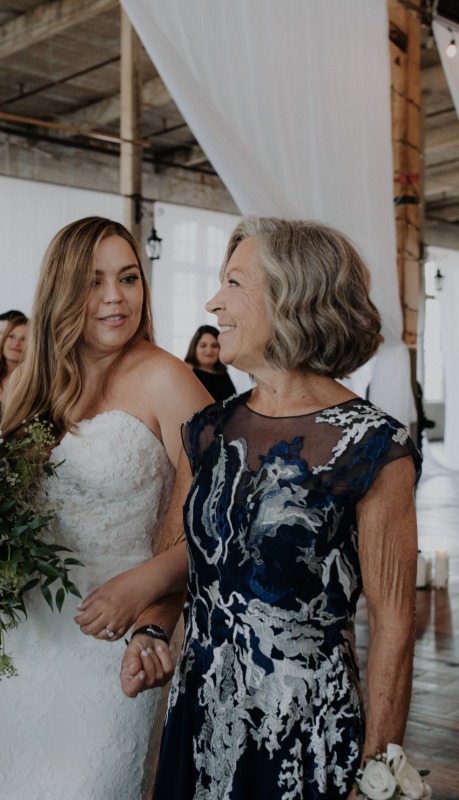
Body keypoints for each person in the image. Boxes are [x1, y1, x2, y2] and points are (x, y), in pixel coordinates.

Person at [119, 218, 421, 799]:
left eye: (234, 283)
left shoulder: (373, 446)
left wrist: (378, 769)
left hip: (304, 735)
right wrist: (151, 631)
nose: (214, 303)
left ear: (293, 297)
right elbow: (181, 558)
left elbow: (394, 624)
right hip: (201, 717)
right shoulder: (209, 429)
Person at [0, 217, 212, 799]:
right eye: (94, 281)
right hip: (22, 637)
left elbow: (217, 517)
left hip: (118, 639)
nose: (115, 297)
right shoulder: (28, 386)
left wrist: (151, 597)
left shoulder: (167, 379)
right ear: (61, 291)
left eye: (129, 278)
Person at [184, 324, 237, 402]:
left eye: (214, 346)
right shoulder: (187, 373)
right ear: (194, 348)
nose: (209, 351)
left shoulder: (224, 375)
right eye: (203, 345)